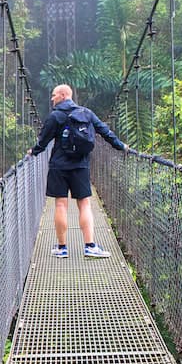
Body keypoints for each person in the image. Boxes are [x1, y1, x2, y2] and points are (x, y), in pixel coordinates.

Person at [27, 84, 126, 258]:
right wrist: (121, 146)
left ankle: (62, 248)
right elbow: (105, 131)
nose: (52, 98)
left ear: (64, 95)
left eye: (54, 95)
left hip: (59, 166)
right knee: (85, 204)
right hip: (80, 165)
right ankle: (90, 246)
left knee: (60, 204)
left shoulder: (55, 116)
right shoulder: (86, 113)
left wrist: (33, 152)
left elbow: (43, 141)